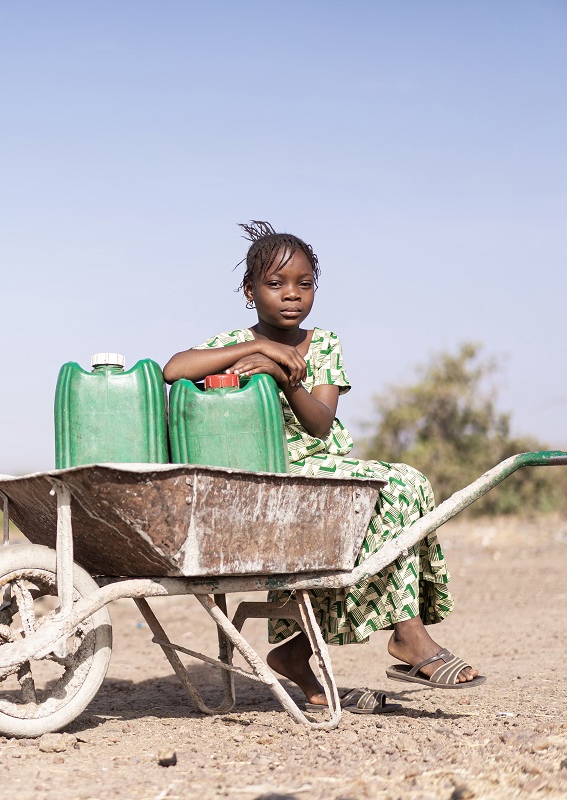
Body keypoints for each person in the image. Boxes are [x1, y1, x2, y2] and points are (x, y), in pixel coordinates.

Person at [162, 221, 483, 712]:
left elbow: (319, 423)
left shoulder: (325, 343)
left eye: (304, 283)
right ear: (250, 292)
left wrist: (285, 376)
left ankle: (296, 652)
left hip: (320, 467)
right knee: (387, 490)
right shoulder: (233, 340)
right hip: (268, 474)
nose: (291, 295)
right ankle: (407, 637)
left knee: (406, 485)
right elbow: (173, 369)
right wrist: (259, 348)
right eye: (275, 284)